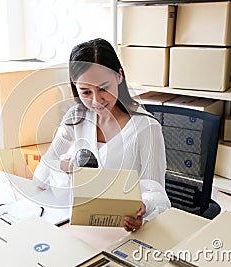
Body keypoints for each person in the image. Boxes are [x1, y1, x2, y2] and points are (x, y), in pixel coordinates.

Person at [33, 38, 170, 232]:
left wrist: (143, 208)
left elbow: (157, 194)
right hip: (80, 227)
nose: (96, 101)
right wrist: (64, 164)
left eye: (103, 89)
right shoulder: (76, 117)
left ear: (119, 76)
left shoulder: (146, 128)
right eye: (86, 92)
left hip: (123, 230)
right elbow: (40, 178)